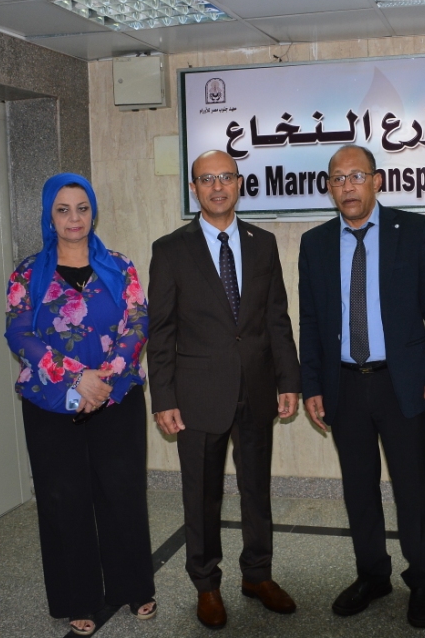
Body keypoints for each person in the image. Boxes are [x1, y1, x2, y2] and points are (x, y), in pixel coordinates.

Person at [299, 145, 425, 629]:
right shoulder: (314, 243)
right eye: (338, 178)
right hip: (343, 386)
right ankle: (372, 574)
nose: (347, 186)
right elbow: (310, 321)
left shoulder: (413, 230)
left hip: (402, 383)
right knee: (358, 488)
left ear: (376, 181)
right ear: (330, 187)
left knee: (412, 487)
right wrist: (311, 384)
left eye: (356, 176)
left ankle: (422, 579)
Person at [148, 150, 301, 630]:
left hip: (256, 388)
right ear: (193, 188)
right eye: (207, 179)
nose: (217, 187)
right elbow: (161, 331)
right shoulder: (170, 249)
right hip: (197, 395)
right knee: (201, 495)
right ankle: (206, 584)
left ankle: (258, 574)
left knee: (257, 489)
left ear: (239, 183)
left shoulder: (263, 243)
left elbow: (277, 318)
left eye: (226, 177)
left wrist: (289, 380)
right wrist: (164, 398)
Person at [4, 173, 154, 637]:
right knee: (63, 500)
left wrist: (104, 378)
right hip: (50, 402)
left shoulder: (119, 266)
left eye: (82, 208)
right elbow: (18, 332)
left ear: (93, 212)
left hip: (116, 396)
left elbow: (138, 321)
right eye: (63, 209)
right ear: (49, 216)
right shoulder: (28, 273)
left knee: (122, 492)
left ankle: (132, 586)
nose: (75, 218)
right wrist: (76, 377)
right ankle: (77, 597)